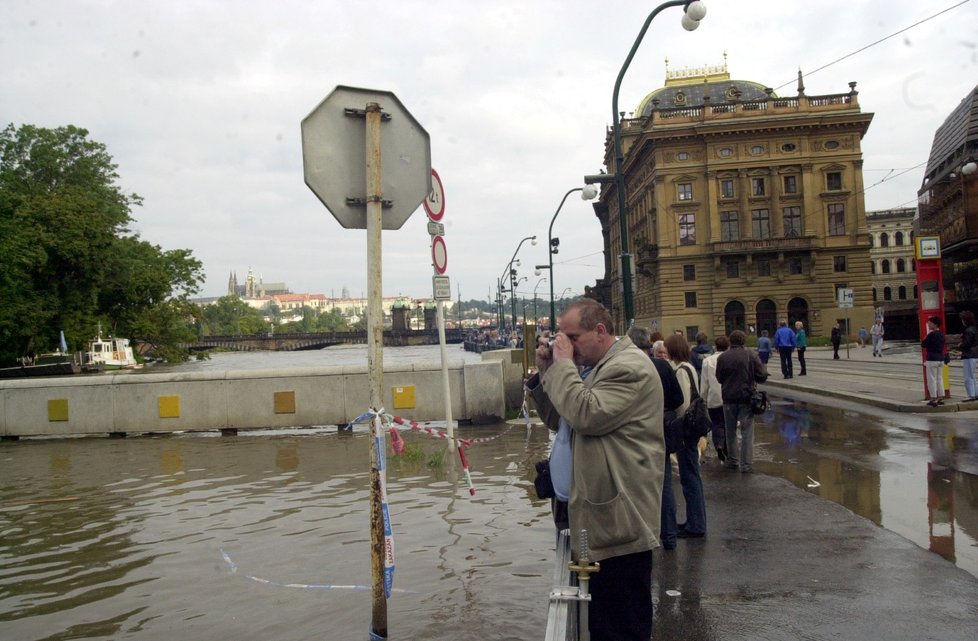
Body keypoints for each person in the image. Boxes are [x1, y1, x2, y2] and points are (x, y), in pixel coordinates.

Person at [527, 299, 664, 640]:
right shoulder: (592, 367)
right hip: (599, 517)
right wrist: (547, 373)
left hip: (621, 521)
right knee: (602, 622)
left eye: (573, 337)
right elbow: (560, 419)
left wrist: (562, 367)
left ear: (600, 331)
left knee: (622, 626)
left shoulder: (627, 367)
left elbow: (586, 415)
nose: (567, 345)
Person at [627, 326, 685, 551]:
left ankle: (643, 538)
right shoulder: (662, 366)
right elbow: (678, 399)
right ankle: (669, 536)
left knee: (635, 488)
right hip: (660, 432)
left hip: (633, 435)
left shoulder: (626, 368)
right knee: (665, 485)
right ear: (649, 346)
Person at [661, 333, 708, 545]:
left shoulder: (681, 370)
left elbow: (682, 403)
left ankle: (696, 524)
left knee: (689, 476)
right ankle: (694, 521)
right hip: (692, 429)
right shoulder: (689, 367)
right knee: (691, 475)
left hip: (686, 431)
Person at [716, 330, 768, 473]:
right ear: (743, 341)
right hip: (746, 397)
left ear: (730, 342)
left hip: (728, 398)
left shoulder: (723, 357)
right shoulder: (750, 355)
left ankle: (733, 460)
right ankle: (746, 464)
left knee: (730, 431)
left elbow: (719, 378)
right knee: (747, 432)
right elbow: (762, 375)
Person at [700, 335, 729, 462]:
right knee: (728, 424)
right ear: (727, 346)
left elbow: (704, 382)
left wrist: (703, 399)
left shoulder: (708, 361)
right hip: (729, 397)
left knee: (717, 423)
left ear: (715, 347)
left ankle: (719, 444)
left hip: (714, 397)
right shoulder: (730, 358)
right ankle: (728, 448)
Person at [921, 316, 946, 407]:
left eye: (930, 322)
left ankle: (933, 398)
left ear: (935, 324)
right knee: (940, 378)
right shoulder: (941, 334)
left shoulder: (931, 334)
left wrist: (925, 338)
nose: (928, 324)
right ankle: (940, 397)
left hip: (932, 359)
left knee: (931, 379)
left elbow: (923, 344)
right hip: (940, 358)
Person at [959, 311, 978, 402]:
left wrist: (960, 345)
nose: (962, 321)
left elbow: (967, 343)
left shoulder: (968, 330)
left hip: (969, 354)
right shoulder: (974, 329)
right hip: (974, 354)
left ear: (965, 320)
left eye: (963, 319)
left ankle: (971, 395)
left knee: (968, 376)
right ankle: (976, 393)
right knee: (973, 375)